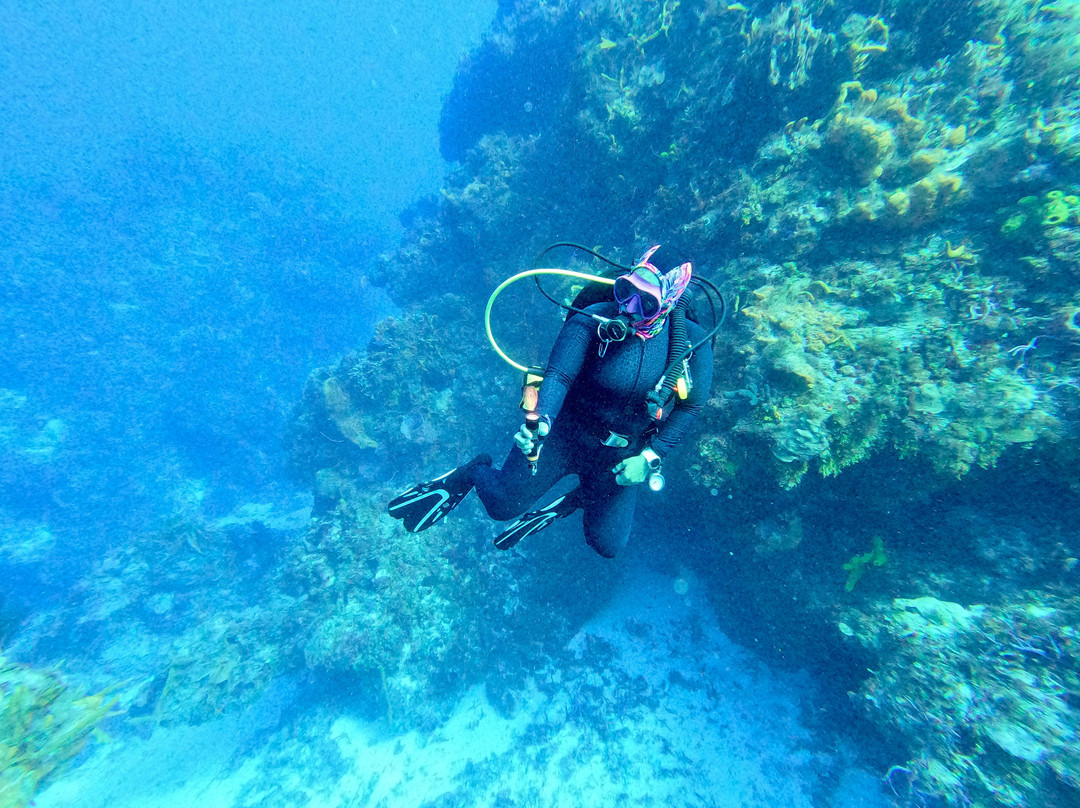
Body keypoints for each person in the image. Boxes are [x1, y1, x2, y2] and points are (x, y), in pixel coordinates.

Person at [387, 245, 714, 558]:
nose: (628, 308)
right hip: (564, 434)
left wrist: (650, 458)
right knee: (501, 505)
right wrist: (541, 423)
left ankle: (580, 497)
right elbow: (559, 377)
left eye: (645, 302)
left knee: (608, 545)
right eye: (625, 291)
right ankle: (473, 471)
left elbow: (690, 407)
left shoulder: (692, 344)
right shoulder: (592, 319)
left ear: (670, 300)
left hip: (623, 454)